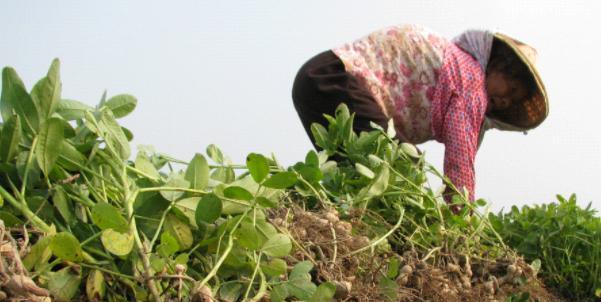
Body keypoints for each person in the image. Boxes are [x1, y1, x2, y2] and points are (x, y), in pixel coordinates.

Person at [291, 24, 548, 204]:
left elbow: (467, 146)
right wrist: (462, 222)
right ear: (497, 66)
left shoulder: (460, 72)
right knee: (405, 166)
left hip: (318, 79)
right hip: (337, 79)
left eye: (511, 101)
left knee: (359, 179)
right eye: (511, 89)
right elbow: (460, 163)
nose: (505, 100)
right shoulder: (471, 81)